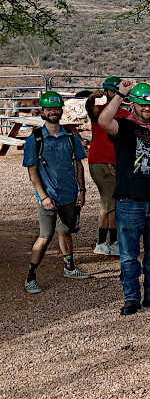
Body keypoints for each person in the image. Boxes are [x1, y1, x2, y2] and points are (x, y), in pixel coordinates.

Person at [98, 81, 150, 315]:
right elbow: (104, 121)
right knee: (129, 255)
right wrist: (120, 94)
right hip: (129, 199)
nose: (147, 108)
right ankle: (131, 297)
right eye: (142, 103)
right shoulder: (123, 126)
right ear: (132, 104)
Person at [23, 91, 89, 293]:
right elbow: (32, 171)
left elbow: (78, 163)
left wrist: (82, 190)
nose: (53, 112)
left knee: (66, 230)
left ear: (61, 110)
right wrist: (43, 197)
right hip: (49, 197)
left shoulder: (70, 136)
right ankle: (30, 277)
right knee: (45, 235)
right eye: (49, 109)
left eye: (56, 108)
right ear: (42, 111)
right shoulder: (34, 139)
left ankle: (69, 267)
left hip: (69, 195)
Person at [83, 76, 125, 256]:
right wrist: (92, 97)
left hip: (112, 162)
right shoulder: (98, 111)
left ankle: (105, 241)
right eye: (113, 91)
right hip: (102, 162)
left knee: (108, 202)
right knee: (111, 203)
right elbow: (89, 107)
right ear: (106, 92)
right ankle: (109, 242)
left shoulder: (124, 113)